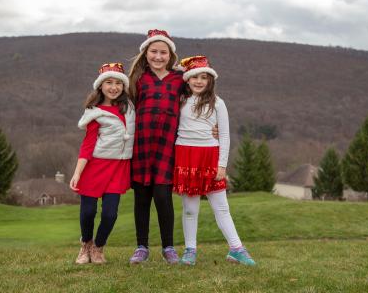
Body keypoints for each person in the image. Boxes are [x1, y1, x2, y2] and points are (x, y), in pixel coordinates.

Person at [173, 56, 256, 266]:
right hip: (185, 156)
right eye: (194, 77)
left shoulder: (218, 103)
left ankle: (237, 248)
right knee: (190, 208)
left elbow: (225, 135)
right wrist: (180, 67)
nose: (199, 81)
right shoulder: (180, 100)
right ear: (187, 79)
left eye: (204, 77)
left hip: (210, 156)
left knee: (221, 207)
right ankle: (190, 250)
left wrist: (222, 165)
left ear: (211, 80)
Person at [70, 62, 135, 264]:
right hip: (95, 167)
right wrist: (77, 173)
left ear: (124, 86)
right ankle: (86, 245)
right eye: (108, 82)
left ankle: (98, 247)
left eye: (118, 83)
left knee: (110, 213)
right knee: (88, 211)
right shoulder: (95, 113)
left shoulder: (131, 108)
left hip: (119, 167)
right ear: (100, 86)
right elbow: (87, 145)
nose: (113, 87)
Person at [127, 29, 184, 264]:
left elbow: (198, 105)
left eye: (163, 52)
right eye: (154, 51)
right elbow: (125, 109)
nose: (158, 56)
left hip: (167, 147)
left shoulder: (180, 80)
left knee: (163, 197)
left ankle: (168, 247)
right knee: (141, 198)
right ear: (145, 53)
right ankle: (141, 247)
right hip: (141, 146)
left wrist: (212, 127)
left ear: (170, 55)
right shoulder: (138, 80)